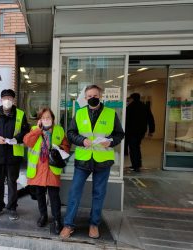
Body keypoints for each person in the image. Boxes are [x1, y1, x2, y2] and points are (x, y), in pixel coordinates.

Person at [60, 85, 124, 239]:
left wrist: (110, 142)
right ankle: (68, 224)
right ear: (85, 98)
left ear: (100, 96)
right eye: (89, 96)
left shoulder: (110, 113)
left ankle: (94, 224)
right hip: (83, 160)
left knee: (99, 193)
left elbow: (119, 134)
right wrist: (82, 140)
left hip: (103, 160)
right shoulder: (80, 113)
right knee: (75, 192)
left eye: (95, 95)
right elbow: (70, 133)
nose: (92, 98)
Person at [0, 89, 30, 221]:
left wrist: (17, 138)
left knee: (12, 183)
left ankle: (12, 208)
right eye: (5, 98)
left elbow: (26, 132)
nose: (7, 100)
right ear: (1, 100)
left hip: (13, 155)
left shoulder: (20, 114)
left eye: (10, 98)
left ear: (13, 100)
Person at [23, 107, 70, 234]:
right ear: (40, 120)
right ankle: (43, 215)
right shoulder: (34, 129)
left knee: (54, 196)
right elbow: (27, 142)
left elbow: (66, 146)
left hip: (52, 169)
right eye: (43, 118)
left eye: (48, 117)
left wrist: (60, 148)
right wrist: (38, 130)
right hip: (38, 169)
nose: (46, 120)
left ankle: (57, 220)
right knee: (40, 195)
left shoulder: (59, 130)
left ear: (53, 119)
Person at [125, 93, 155, 172]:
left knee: (133, 148)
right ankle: (138, 164)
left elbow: (126, 120)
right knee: (137, 147)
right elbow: (150, 119)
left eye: (130, 98)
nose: (129, 100)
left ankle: (135, 166)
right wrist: (151, 131)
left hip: (131, 132)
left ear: (132, 98)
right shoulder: (145, 106)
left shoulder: (130, 107)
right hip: (141, 131)